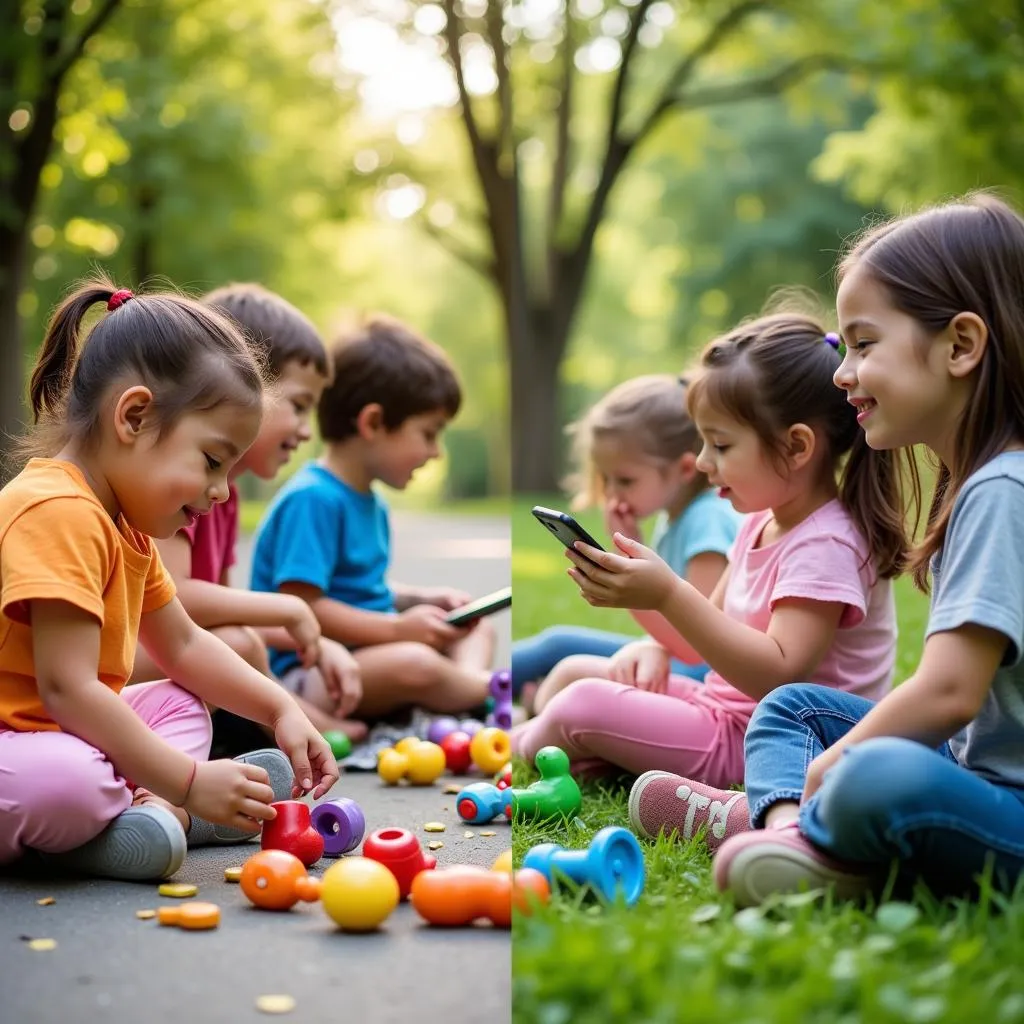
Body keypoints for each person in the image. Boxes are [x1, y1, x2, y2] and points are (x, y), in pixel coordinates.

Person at [709, 194, 1024, 906]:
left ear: (961, 346)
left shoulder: (1005, 488)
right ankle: (795, 832)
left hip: (1011, 809)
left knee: (879, 774)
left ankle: (800, 832)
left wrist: (846, 759)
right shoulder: (982, 480)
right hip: (980, 772)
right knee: (792, 710)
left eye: (864, 344)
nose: (841, 373)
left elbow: (949, 692)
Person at [515, 310, 908, 851]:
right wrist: (651, 626)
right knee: (571, 671)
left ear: (796, 447)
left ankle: (517, 754)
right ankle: (586, 757)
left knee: (579, 703)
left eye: (721, 446)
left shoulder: (828, 544)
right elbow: (695, 643)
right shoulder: (759, 521)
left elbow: (779, 677)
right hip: (718, 710)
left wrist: (669, 594)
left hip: (769, 742)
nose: (702, 463)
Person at [0, 279, 337, 883]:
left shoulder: (124, 527)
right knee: (65, 784)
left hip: (61, 735)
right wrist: (186, 776)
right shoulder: (56, 510)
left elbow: (182, 646)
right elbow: (68, 689)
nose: (221, 491)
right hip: (20, 743)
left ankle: (159, 812)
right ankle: (133, 819)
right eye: (212, 461)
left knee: (180, 702)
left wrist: (279, 704)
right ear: (133, 416)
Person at [127, 283, 367, 756]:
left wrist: (315, 640)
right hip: (129, 654)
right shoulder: (177, 489)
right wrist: (286, 610)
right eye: (298, 406)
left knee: (240, 640)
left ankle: (260, 744)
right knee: (238, 645)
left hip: (165, 649)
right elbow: (178, 598)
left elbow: (224, 602)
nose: (305, 431)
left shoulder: (223, 494)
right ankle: (269, 739)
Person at [251, 314, 495, 719]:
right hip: (313, 671)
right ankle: (480, 694)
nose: (435, 452)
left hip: (370, 654)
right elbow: (303, 607)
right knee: (414, 662)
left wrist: (417, 599)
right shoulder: (314, 500)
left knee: (476, 627)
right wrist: (399, 630)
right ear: (374, 423)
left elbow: (358, 587)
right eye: (429, 434)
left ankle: (462, 692)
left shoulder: (370, 501)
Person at [514, 374, 742, 713]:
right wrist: (633, 546)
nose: (611, 492)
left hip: (708, 677)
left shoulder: (707, 521)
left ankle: (527, 696)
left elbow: (697, 644)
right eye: (605, 478)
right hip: (676, 658)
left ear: (683, 468)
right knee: (558, 642)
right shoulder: (676, 516)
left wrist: (629, 592)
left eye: (625, 480)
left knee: (571, 666)